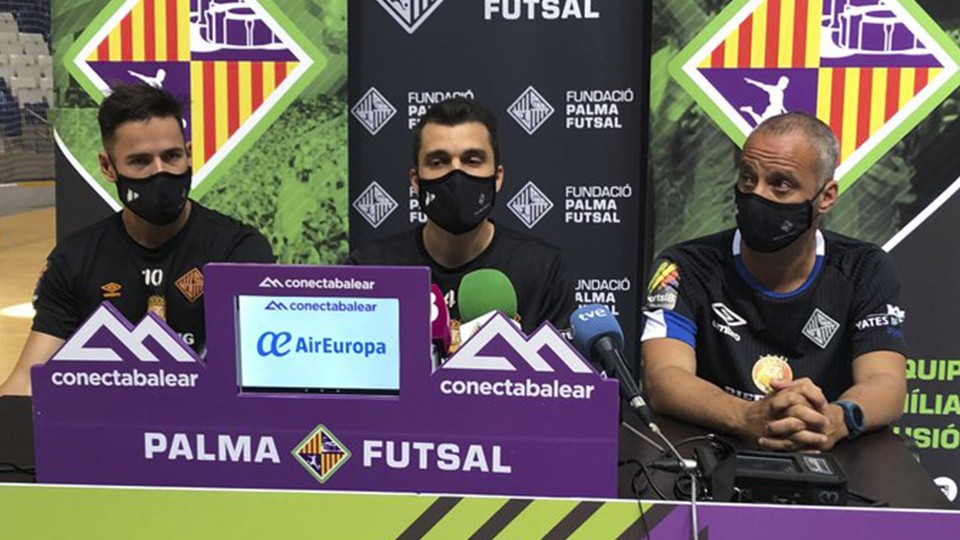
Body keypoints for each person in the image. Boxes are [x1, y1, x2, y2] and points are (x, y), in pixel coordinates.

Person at [640, 112, 906, 452]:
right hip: (710, 457)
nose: (757, 195)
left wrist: (834, 420)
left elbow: (886, 382)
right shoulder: (683, 266)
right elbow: (663, 379)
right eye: (748, 178)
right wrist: (746, 416)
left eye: (781, 184)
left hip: (823, 457)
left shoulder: (864, 268)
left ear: (826, 197)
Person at [0, 84, 274, 396]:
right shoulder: (74, 259)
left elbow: (260, 376)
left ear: (189, 155)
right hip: (108, 433)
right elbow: (25, 382)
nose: (160, 172)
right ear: (108, 167)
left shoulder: (237, 250)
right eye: (140, 161)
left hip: (204, 435)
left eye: (171, 156)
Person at [346, 97, 575, 334]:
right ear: (415, 181)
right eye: (438, 162)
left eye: (471, 160)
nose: (456, 173)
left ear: (497, 177)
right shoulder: (369, 270)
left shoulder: (544, 269)